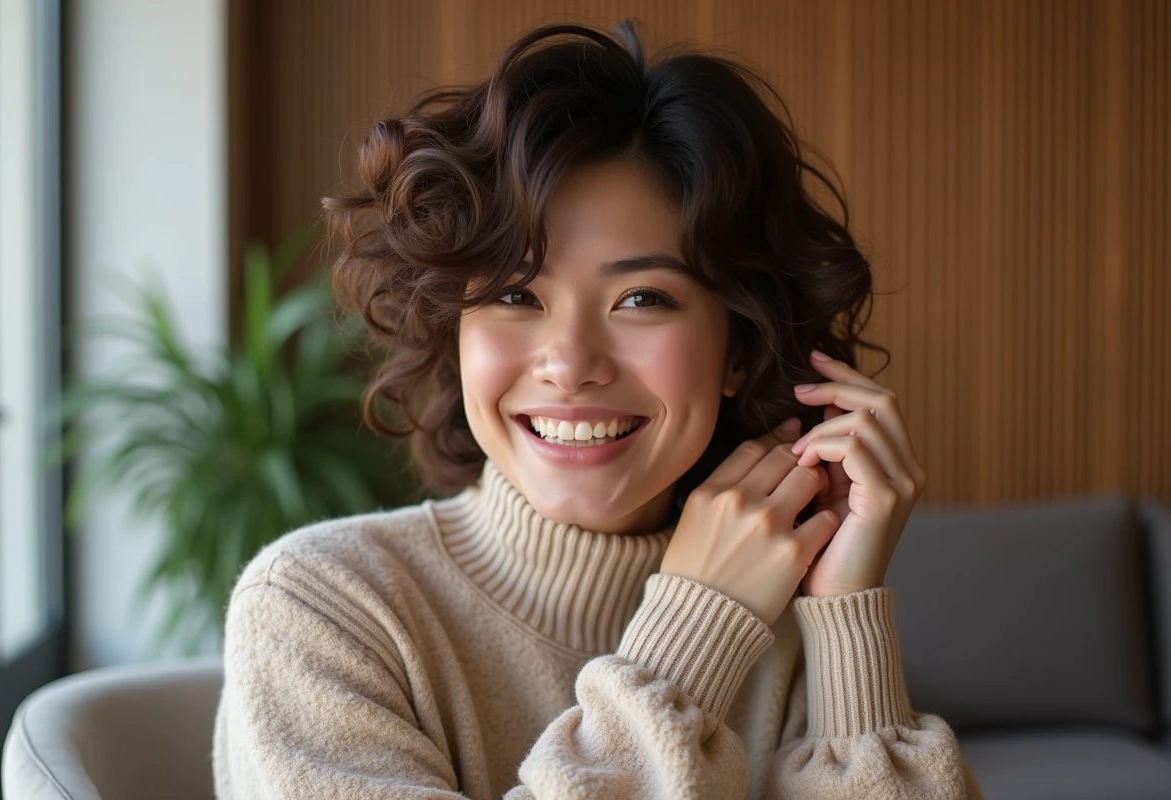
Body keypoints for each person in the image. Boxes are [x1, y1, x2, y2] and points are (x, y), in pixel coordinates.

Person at [212, 18, 984, 799]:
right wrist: (692, 636)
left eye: (642, 298)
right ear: (455, 330)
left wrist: (848, 613)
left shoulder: (785, 620)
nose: (571, 364)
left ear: (739, 350)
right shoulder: (322, 605)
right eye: (516, 295)